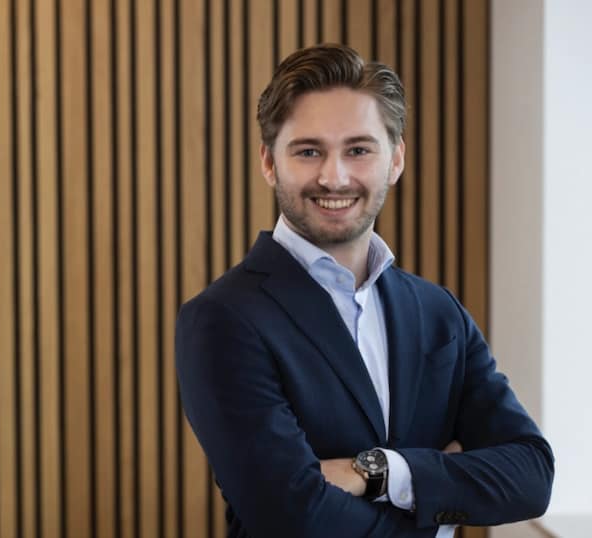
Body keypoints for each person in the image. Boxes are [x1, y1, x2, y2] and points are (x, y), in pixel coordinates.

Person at [174, 44, 554, 538]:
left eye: (358, 150)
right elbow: (293, 516)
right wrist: (440, 500)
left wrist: (379, 472)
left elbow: (531, 474)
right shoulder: (222, 319)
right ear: (269, 162)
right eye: (308, 151)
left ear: (395, 160)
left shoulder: (438, 312)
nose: (334, 176)